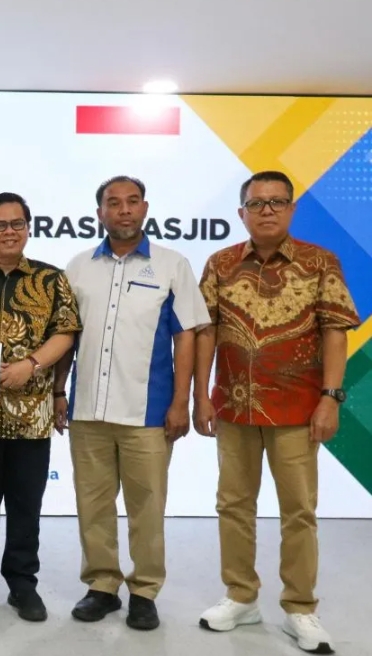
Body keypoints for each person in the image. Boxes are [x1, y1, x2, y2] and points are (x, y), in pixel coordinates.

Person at [194, 170, 359, 654]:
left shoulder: (320, 262)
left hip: (297, 410)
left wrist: (331, 397)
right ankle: (240, 596)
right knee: (233, 505)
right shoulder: (221, 263)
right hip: (234, 407)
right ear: (241, 212)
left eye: (277, 202)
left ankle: (300, 607)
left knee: (298, 511)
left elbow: (335, 331)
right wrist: (201, 395)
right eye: (256, 203)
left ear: (291, 209)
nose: (266, 210)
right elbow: (206, 331)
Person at [53, 175, 210, 631]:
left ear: (145, 208)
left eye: (132, 201)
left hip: (148, 413)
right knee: (93, 505)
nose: (123, 209)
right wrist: (59, 391)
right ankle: (102, 585)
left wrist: (181, 402)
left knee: (147, 508)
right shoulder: (78, 267)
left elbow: (186, 336)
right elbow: (66, 337)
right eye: (113, 202)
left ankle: (144, 591)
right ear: (99, 212)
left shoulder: (172, 265)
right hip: (87, 411)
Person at [0, 192, 81, 621]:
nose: (9, 232)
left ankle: (23, 584)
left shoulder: (51, 278)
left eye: (17, 224)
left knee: (26, 506)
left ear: (28, 228)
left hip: (33, 415)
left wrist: (32, 366)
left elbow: (66, 332)